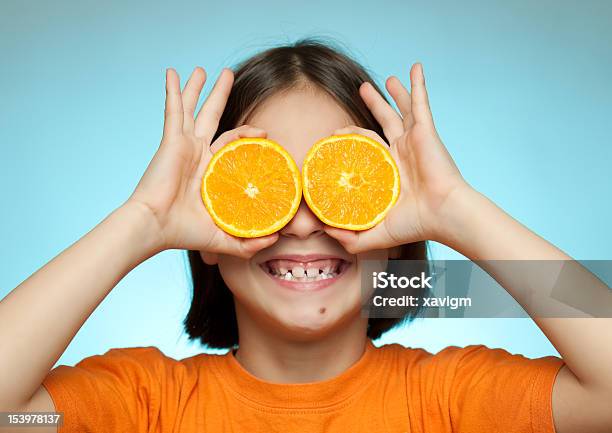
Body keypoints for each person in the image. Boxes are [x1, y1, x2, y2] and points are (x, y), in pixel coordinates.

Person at [0, 39, 610, 433]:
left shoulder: (448, 399)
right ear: (210, 234)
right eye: (265, 188)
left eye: (339, 187)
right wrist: (143, 222)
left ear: (399, 231)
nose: (302, 222)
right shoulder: (146, 405)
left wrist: (457, 209)